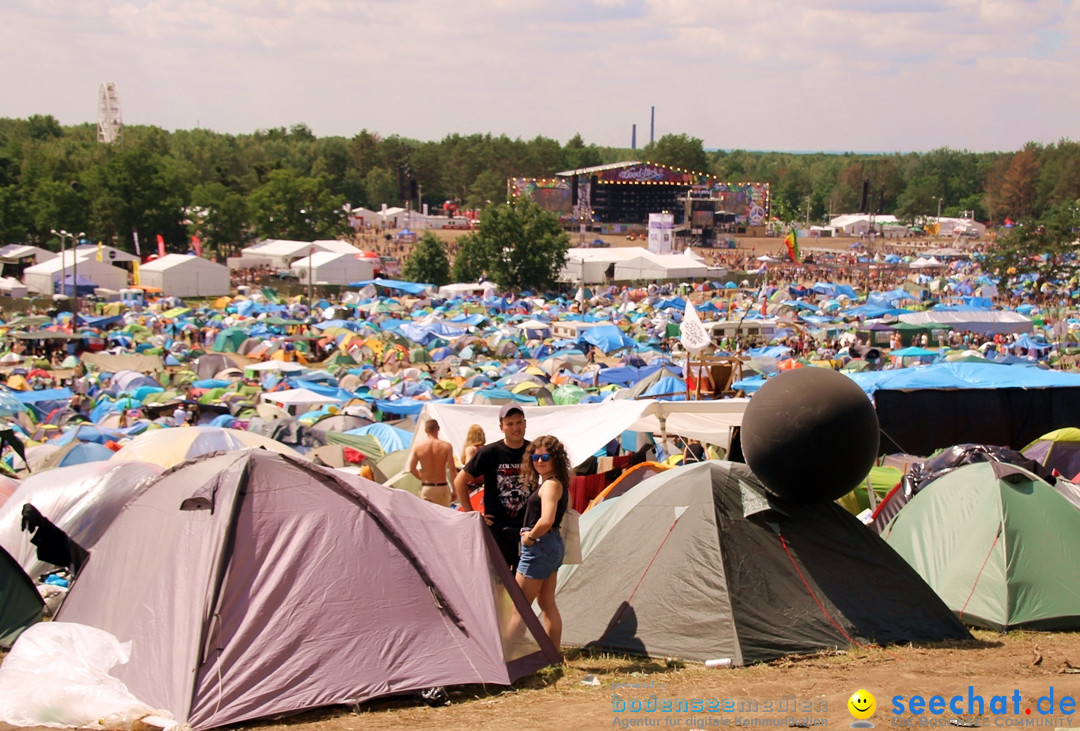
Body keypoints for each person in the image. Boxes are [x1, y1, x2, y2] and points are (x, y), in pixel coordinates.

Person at [454, 403, 530, 570]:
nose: (515, 428)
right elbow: (460, 481)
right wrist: (472, 514)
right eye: (510, 424)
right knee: (497, 583)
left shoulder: (534, 452)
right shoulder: (489, 452)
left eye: (518, 422)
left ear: (525, 423)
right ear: (501, 427)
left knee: (524, 586)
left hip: (527, 530)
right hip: (497, 530)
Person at [513, 434, 570, 649]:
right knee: (547, 603)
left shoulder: (549, 486)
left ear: (555, 458)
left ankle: (506, 658)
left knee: (519, 607)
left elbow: (546, 520)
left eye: (545, 456)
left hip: (539, 545)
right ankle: (553, 654)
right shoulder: (556, 483)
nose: (539, 461)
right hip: (550, 546)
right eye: (536, 457)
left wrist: (530, 537)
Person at [407, 419, 457, 507]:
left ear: (426, 430)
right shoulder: (446, 446)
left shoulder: (418, 447)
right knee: (444, 517)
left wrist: (422, 477)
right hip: (442, 487)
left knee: (427, 518)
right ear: (438, 428)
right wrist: (455, 489)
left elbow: (412, 468)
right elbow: (452, 469)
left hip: (427, 487)